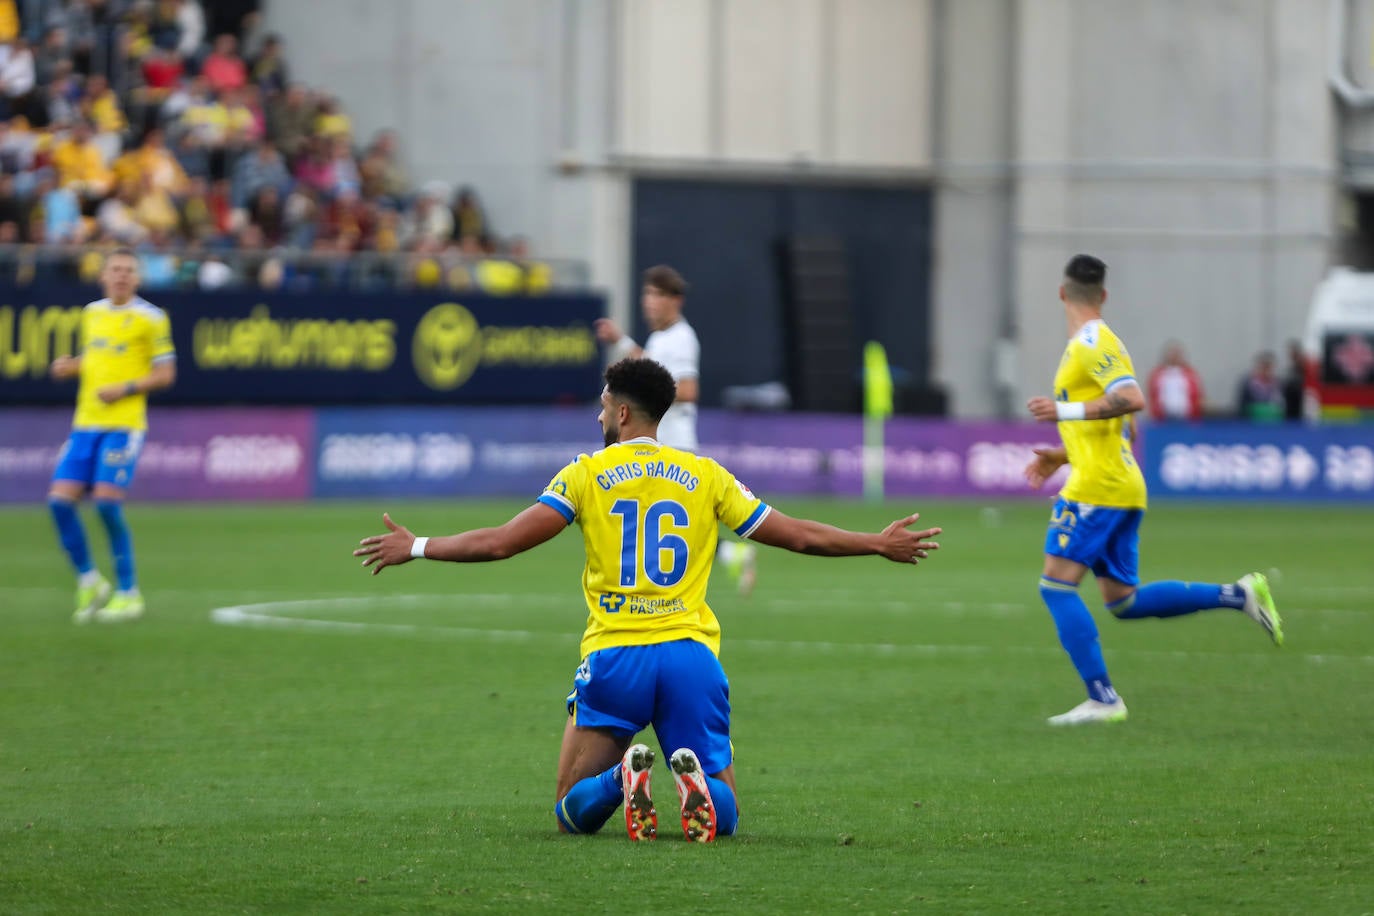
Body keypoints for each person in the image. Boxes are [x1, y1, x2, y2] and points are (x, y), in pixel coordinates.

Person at [353, 358, 943, 841]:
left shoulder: (585, 474)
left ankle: (623, 778)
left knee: (568, 810)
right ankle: (694, 784)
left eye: (604, 404)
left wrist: (418, 546)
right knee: (726, 810)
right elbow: (798, 536)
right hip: (689, 657)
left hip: (617, 658)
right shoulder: (706, 474)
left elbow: (502, 543)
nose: (599, 414)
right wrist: (876, 542)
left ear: (622, 412)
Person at [1024, 254, 1283, 726]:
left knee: (1056, 586)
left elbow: (1132, 400)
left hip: (1099, 489)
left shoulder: (1091, 342)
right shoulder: (1097, 345)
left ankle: (1103, 699)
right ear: (1103, 295)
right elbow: (1126, 430)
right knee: (1123, 600)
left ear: (1062, 293)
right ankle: (1239, 594)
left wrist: (1065, 413)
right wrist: (1062, 455)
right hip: (1116, 483)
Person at [595, 265, 759, 593]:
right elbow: (649, 369)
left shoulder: (682, 338)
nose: (649, 301)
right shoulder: (660, 338)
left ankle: (657, 584)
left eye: (657, 294)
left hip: (673, 444)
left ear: (675, 300)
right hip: (657, 442)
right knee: (663, 518)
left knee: (655, 516)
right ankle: (731, 554)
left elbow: (687, 390)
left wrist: (651, 391)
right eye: (647, 294)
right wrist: (623, 344)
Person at [48, 249, 177, 623]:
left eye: (128, 271)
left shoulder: (151, 318)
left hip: (123, 425)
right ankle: (89, 581)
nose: (121, 276)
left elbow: (166, 375)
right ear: (103, 276)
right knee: (59, 503)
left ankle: (128, 593)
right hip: (84, 424)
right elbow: (96, 359)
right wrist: (72, 367)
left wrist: (125, 389)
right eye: (115, 270)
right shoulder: (92, 313)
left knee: (106, 504)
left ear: (137, 278)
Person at [1145, 340, 1204, 421]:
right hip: (1162, 419)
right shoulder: (1158, 374)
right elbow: (1152, 394)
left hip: (1187, 418)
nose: (1174, 357)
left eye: (1177, 354)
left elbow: (1197, 394)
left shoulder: (1190, 373)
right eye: (1172, 354)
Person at [1236, 351, 1285, 421]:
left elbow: (1281, 405)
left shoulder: (1278, 384)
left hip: (1273, 420)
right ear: (1258, 367)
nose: (1266, 370)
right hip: (1252, 421)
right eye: (1264, 366)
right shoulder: (1248, 384)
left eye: (1269, 367)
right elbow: (1242, 407)